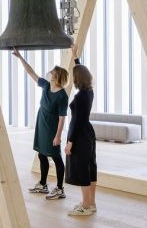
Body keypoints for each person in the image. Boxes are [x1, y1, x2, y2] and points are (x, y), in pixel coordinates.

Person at [12, 48, 69, 199]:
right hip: (41, 124)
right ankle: (43, 184)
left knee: (56, 157)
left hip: (52, 127)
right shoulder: (45, 86)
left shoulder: (62, 96)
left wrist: (58, 137)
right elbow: (31, 73)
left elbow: (62, 118)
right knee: (41, 154)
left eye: (52, 72)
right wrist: (20, 57)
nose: (49, 73)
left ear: (56, 76)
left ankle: (59, 188)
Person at [64, 44, 98, 216]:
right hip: (89, 134)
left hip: (80, 135)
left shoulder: (80, 96)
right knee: (90, 166)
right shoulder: (89, 92)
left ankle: (85, 206)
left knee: (82, 168)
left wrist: (70, 142)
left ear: (77, 79)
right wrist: (76, 57)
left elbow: (77, 121)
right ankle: (91, 203)